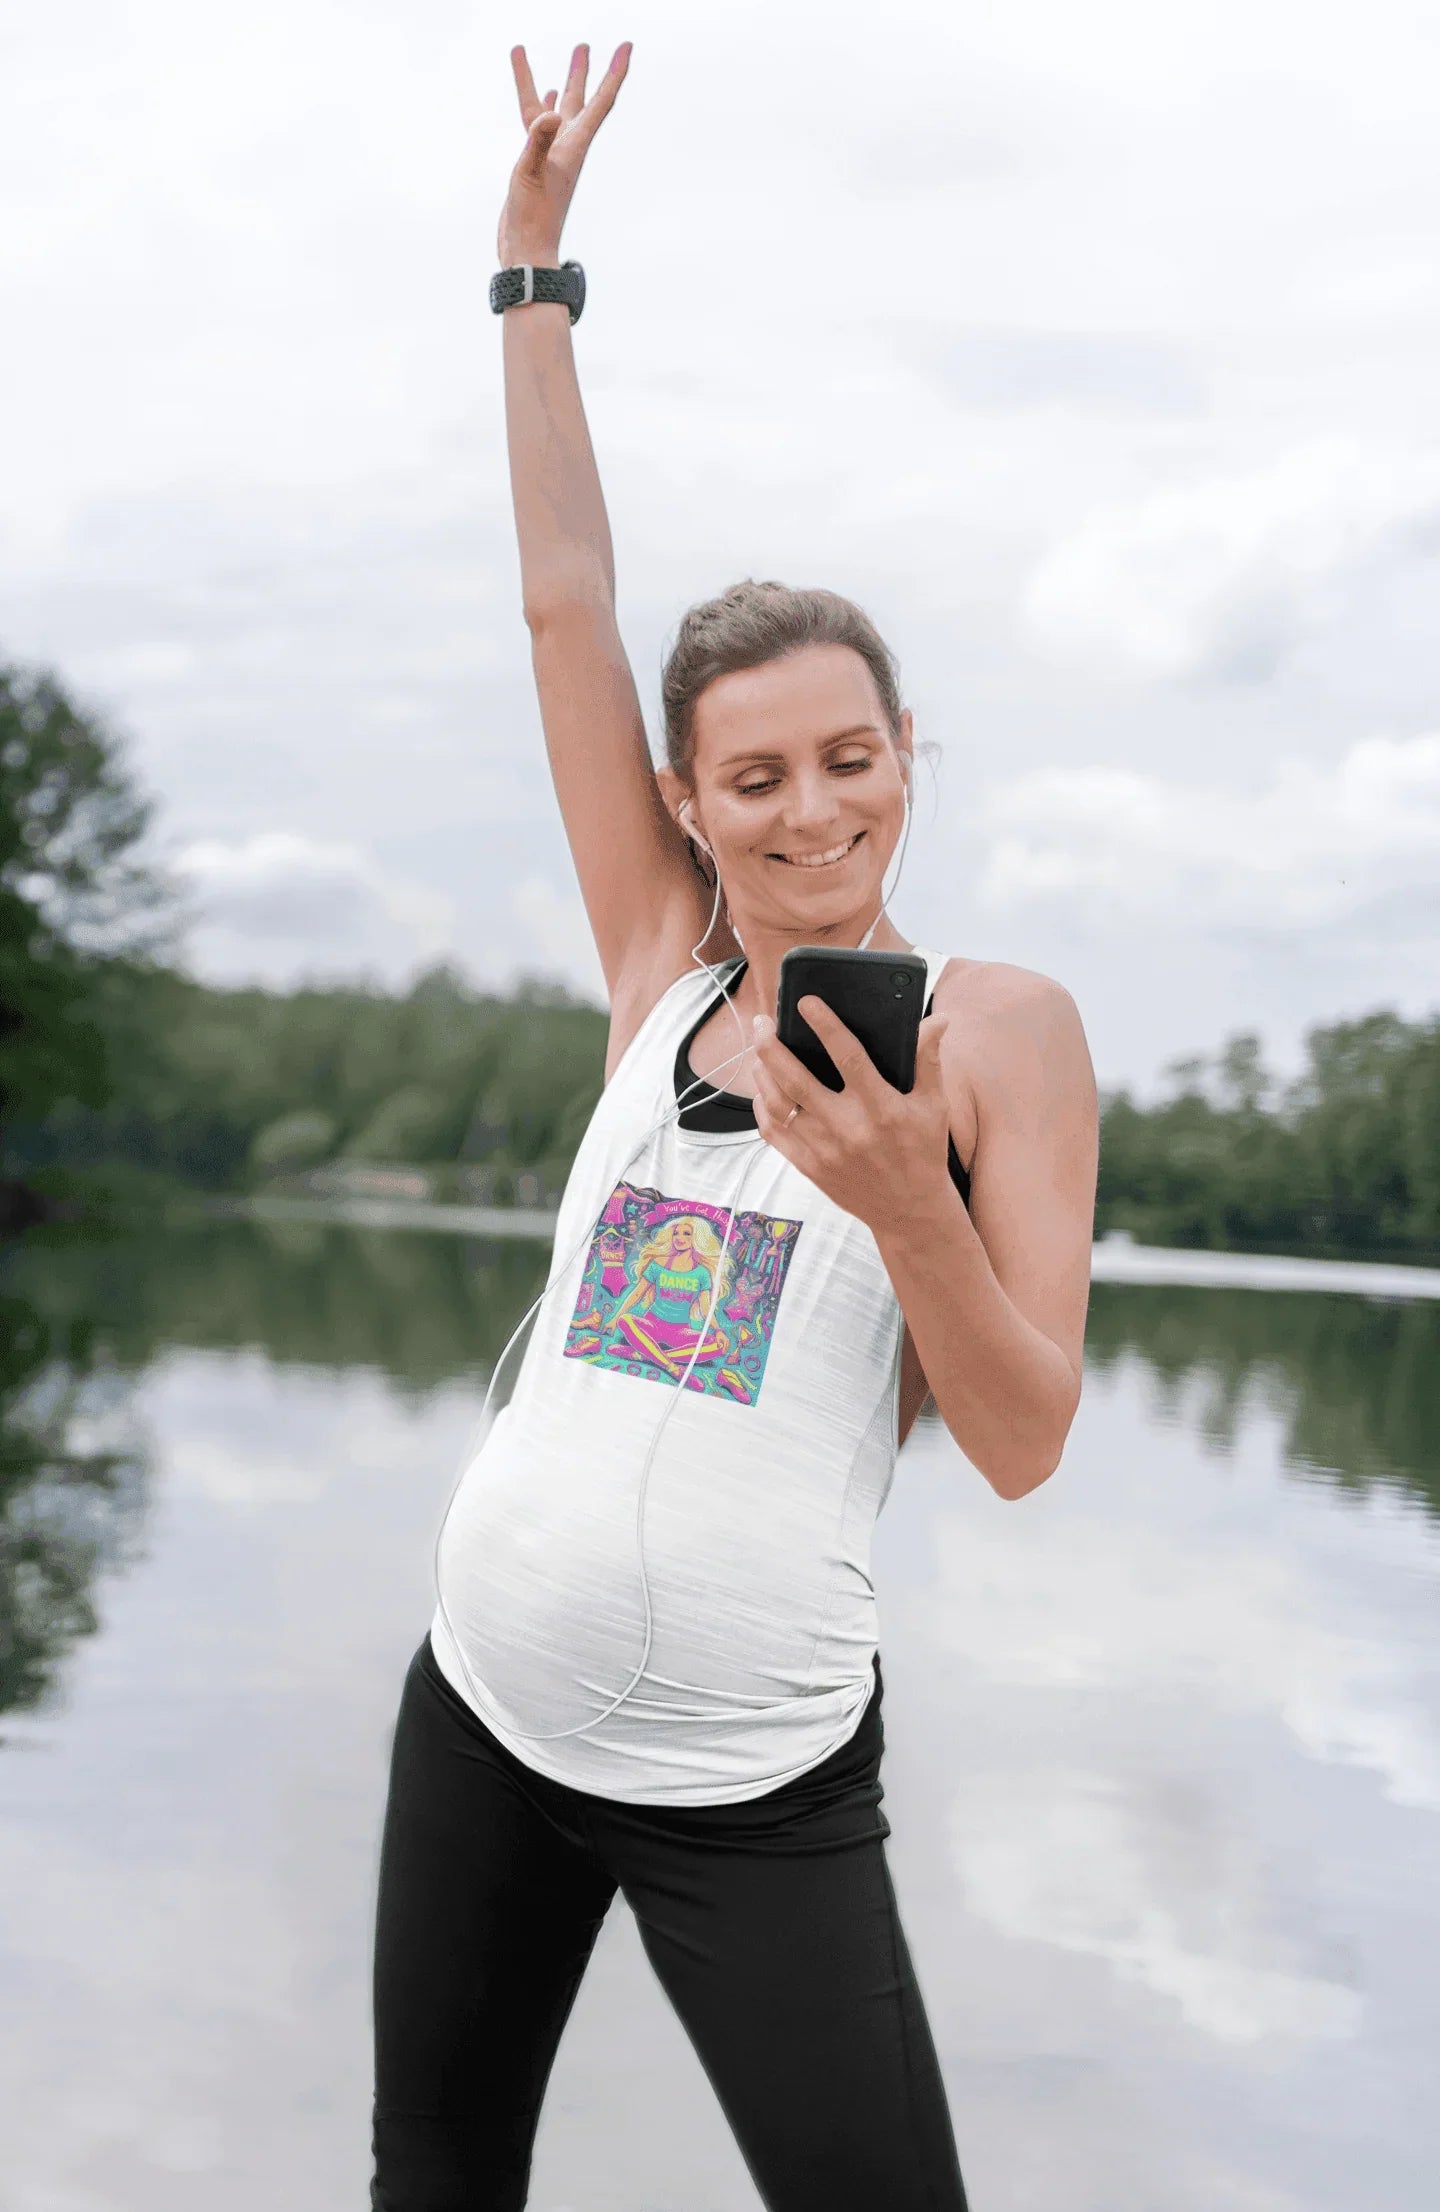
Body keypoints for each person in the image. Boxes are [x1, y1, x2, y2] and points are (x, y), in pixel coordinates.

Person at [369, 39, 1099, 2212]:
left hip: (753, 1767)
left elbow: (1028, 1428)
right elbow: (565, 603)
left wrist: (909, 1204)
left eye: (850, 756)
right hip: (487, 1698)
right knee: (438, 2175)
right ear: (688, 799)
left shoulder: (1001, 1033)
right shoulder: (655, 961)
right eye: (755, 775)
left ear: (907, 757)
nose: (813, 809)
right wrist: (531, 275)